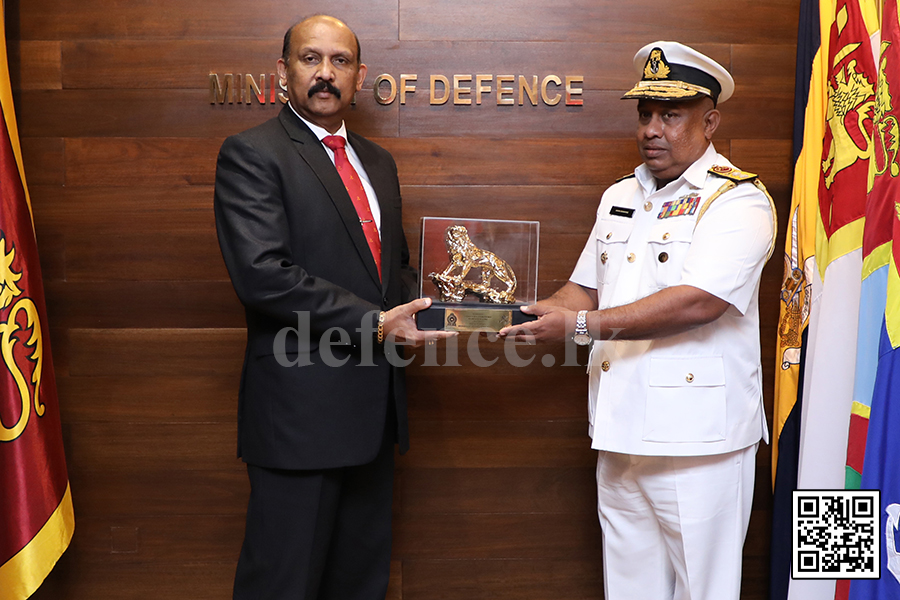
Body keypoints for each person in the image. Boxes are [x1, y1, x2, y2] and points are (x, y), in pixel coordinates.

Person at [500, 41, 777, 600]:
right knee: (629, 590)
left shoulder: (738, 201)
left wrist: (579, 329)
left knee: (705, 590)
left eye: (670, 114)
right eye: (645, 113)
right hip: (620, 431)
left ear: (710, 121)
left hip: (698, 443)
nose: (652, 128)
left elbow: (697, 302)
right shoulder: (621, 196)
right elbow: (582, 292)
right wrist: (503, 316)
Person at [214, 15, 453, 600]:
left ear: (360, 75)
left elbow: (388, 270)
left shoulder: (378, 163)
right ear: (282, 71)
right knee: (283, 584)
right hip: (299, 418)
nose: (326, 73)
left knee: (359, 584)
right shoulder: (252, 154)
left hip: (374, 418)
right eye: (310, 59)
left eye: (340, 61)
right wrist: (376, 323)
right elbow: (263, 275)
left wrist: (437, 311)